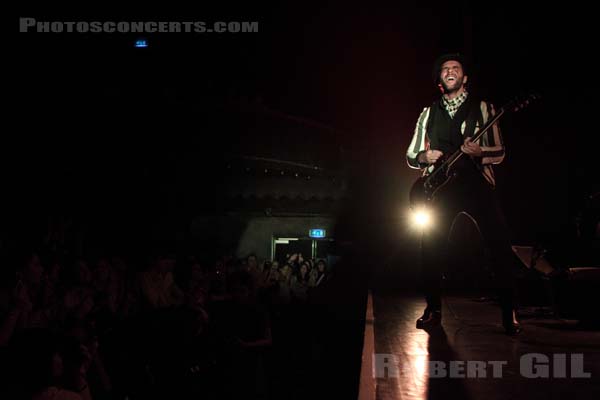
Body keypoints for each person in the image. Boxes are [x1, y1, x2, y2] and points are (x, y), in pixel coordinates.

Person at [406, 52, 521, 335]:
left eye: (455, 67)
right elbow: (410, 154)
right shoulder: (428, 112)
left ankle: (509, 312)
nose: (450, 71)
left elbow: (500, 151)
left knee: (499, 244)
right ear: (440, 79)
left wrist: (480, 152)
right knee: (430, 247)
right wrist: (425, 155)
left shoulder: (482, 108)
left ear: (464, 77)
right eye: (445, 68)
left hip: (476, 183)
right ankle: (433, 311)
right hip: (441, 188)